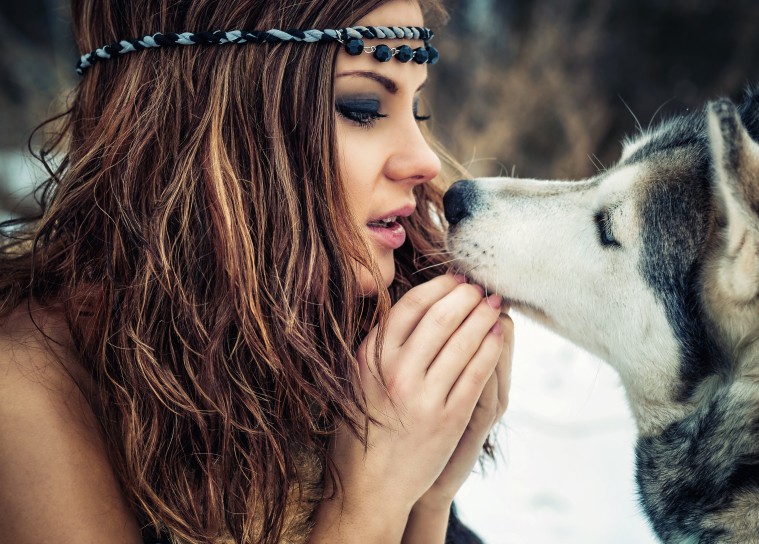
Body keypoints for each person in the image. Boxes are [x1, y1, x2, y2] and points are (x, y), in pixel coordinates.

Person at [0, 0, 514, 543]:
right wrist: (371, 499)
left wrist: (428, 500)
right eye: (362, 106)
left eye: (418, 110)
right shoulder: (28, 386)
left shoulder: (333, 325)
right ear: (207, 120)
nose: (424, 160)